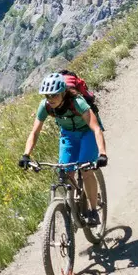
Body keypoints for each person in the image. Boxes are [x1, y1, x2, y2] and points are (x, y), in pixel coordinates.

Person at [18, 71, 108, 221]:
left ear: (63, 92)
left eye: (55, 95)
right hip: (68, 135)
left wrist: (102, 154)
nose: (51, 99)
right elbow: (35, 132)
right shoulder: (45, 106)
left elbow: (96, 128)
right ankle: (72, 209)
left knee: (86, 169)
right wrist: (26, 154)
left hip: (87, 133)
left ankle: (93, 211)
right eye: (47, 96)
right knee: (65, 172)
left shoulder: (77, 102)